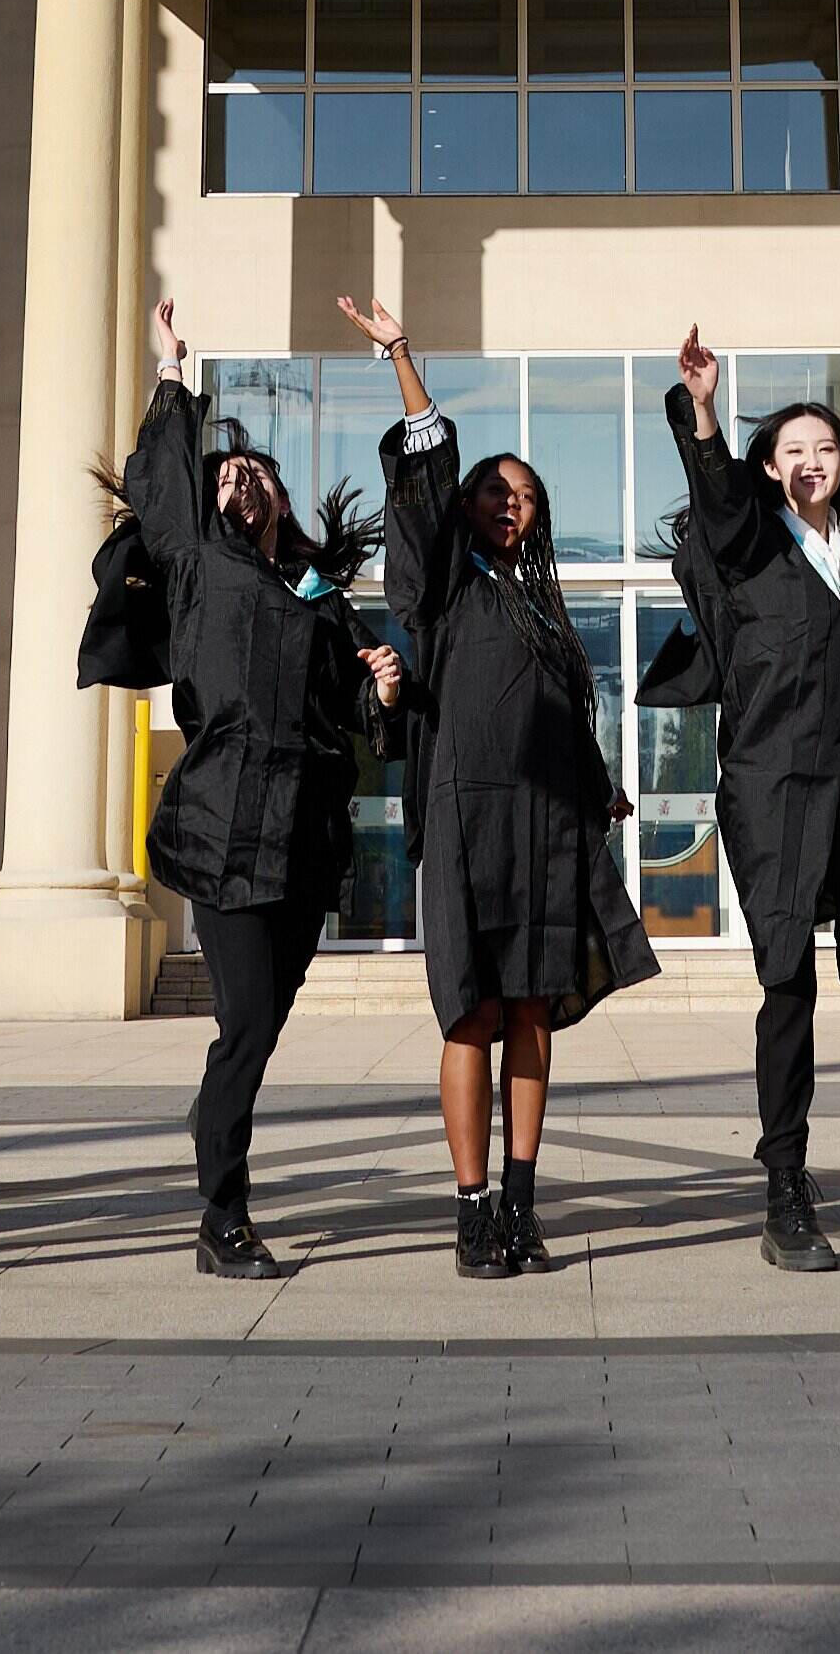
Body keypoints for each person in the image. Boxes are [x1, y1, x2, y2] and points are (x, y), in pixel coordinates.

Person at [353, 297, 661, 1278]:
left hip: (547, 827)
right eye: (490, 488)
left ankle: (523, 1204)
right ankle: (471, 1207)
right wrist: (403, 353)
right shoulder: (440, 587)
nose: (504, 500)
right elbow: (424, 474)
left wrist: (604, 784)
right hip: (465, 820)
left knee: (531, 1007)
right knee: (470, 1012)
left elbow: (570, 718)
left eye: (521, 494)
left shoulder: (549, 612)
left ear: (539, 517)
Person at [114, 300, 408, 1281]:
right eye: (228, 477)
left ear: (281, 499)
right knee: (245, 1021)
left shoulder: (321, 599)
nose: (245, 484)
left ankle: (215, 1116)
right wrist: (171, 378)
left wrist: (381, 691)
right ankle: (222, 1214)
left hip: (304, 834)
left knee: (266, 1020)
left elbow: (360, 729)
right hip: (221, 826)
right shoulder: (198, 566)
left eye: (258, 474)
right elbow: (159, 494)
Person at [644, 327, 840, 1273]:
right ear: (771, 468)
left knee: (838, 950)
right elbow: (718, 503)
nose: (812, 462)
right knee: (786, 977)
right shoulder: (750, 550)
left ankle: (789, 1168)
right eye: (793, 450)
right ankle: (784, 1185)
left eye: (827, 448)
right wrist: (703, 411)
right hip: (772, 787)